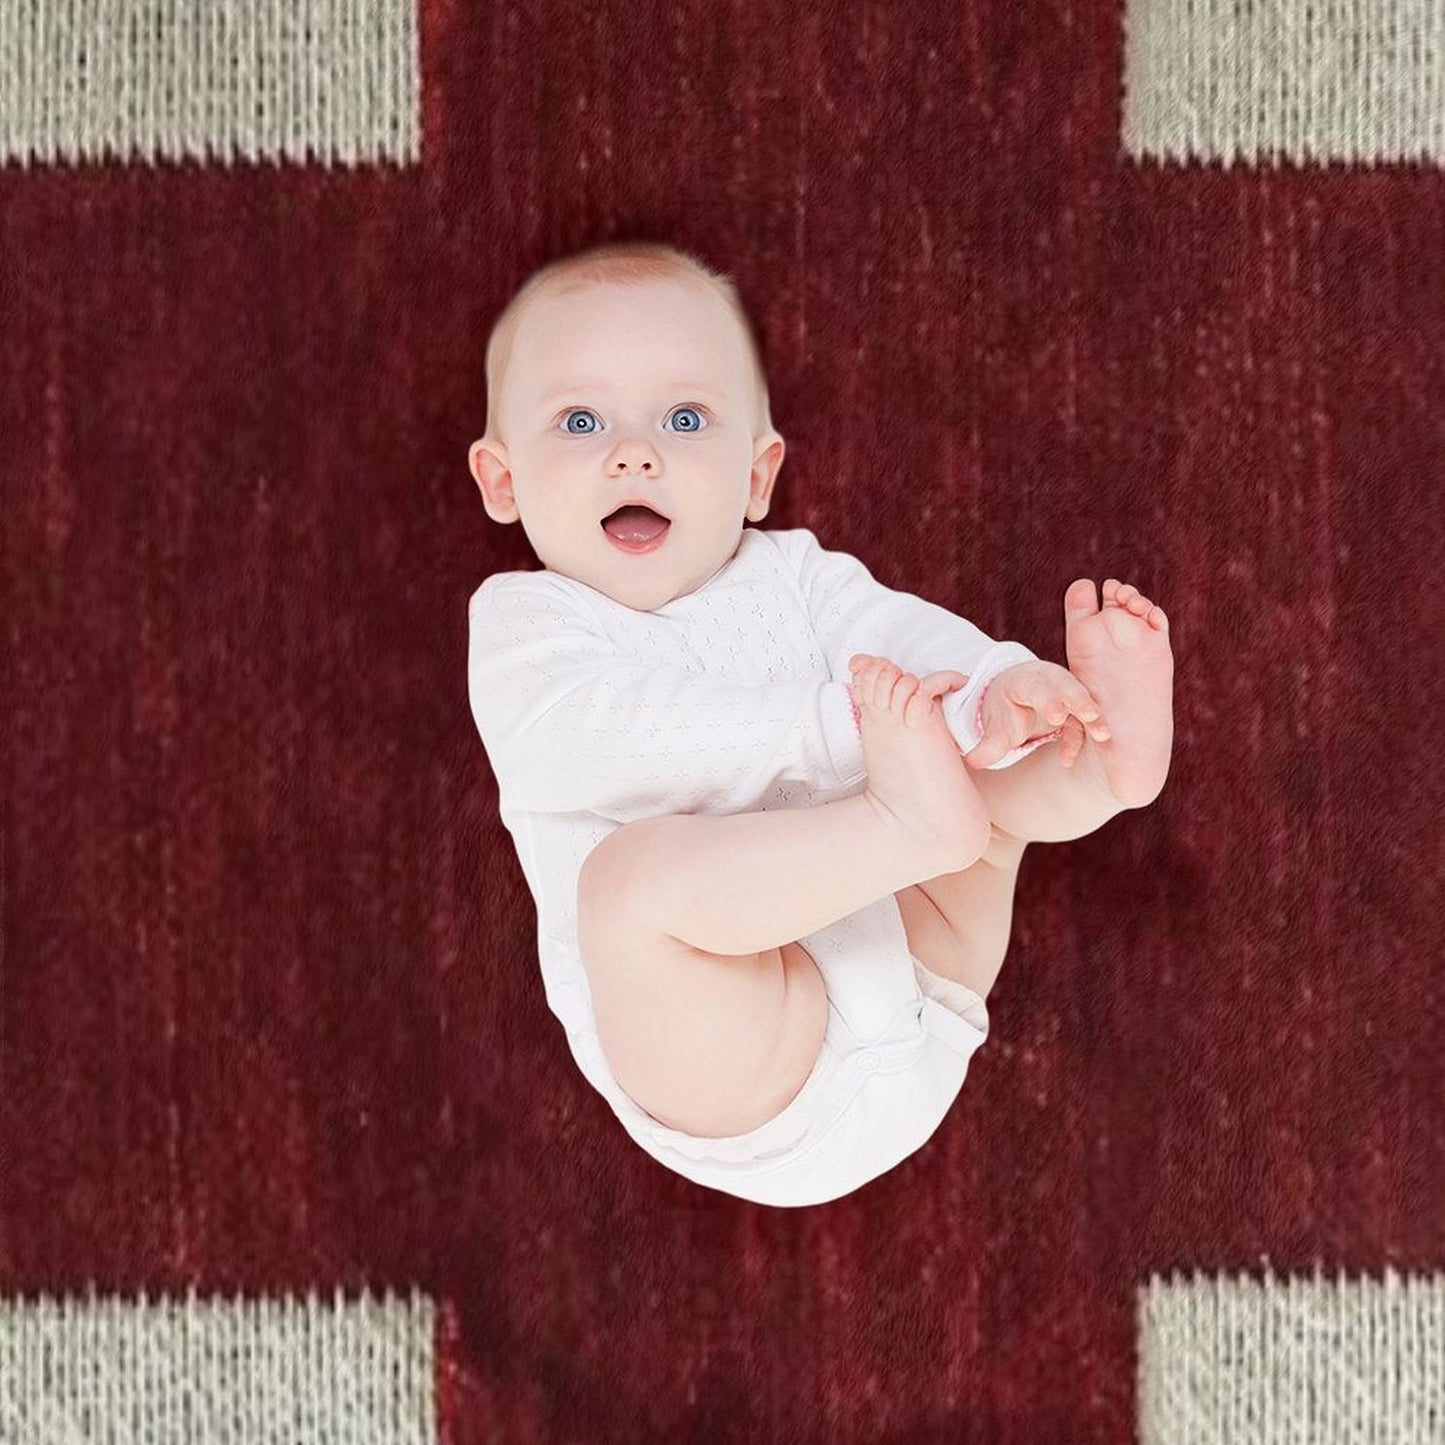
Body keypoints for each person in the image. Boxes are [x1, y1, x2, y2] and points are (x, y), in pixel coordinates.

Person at [465, 240, 1174, 1206]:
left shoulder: (793, 573)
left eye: (684, 417)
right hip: (750, 1063)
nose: (635, 452)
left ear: (756, 476)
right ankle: (913, 822)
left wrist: (993, 688)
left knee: (981, 779)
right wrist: (844, 727)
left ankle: (1094, 765)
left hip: (924, 973)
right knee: (626, 887)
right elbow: (608, 740)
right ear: (503, 482)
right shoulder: (527, 625)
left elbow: (898, 636)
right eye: (580, 420)